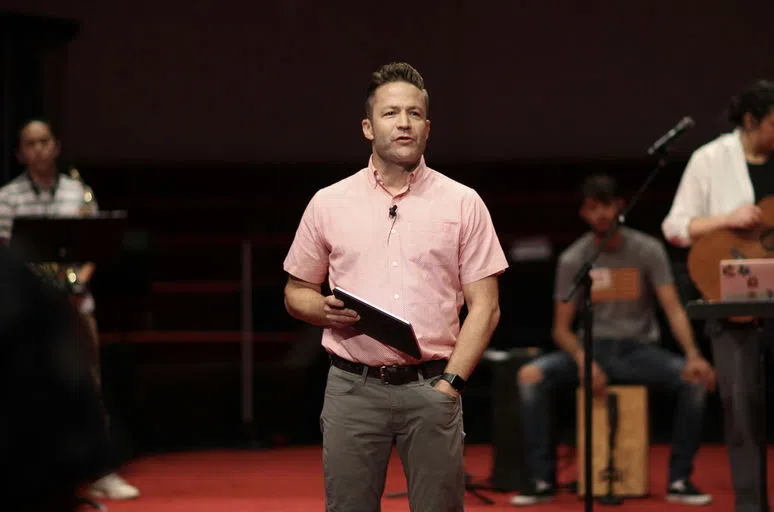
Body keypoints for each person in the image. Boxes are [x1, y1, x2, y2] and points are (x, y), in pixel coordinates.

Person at [283, 62, 508, 512]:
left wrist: (451, 384)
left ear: (428, 126)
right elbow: (295, 291)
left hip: (433, 386)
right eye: (390, 114)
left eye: (414, 113)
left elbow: (486, 307)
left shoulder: (463, 203)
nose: (403, 123)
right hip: (352, 388)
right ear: (368, 127)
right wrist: (320, 309)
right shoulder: (329, 202)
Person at [510, 173, 716, 507]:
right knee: (529, 376)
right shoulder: (574, 259)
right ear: (583, 213)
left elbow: (673, 308)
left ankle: (680, 479)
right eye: (592, 208)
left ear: (619, 206)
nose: (601, 215)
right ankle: (541, 478)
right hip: (591, 348)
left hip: (639, 350)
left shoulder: (647, 250)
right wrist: (584, 361)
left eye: (606, 206)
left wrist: (693, 353)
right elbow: (560, 328)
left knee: (694, 380)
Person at [0, 119, 140, 501]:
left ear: (56, 146)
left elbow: (94, 245)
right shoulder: (8, 196)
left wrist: (77, 280)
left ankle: (99, 472)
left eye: (44, 141)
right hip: (26, 315)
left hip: (77, 302)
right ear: (19, 153)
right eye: (30, 143)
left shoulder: (78, 191)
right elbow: (6, 254)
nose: (38, 149)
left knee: (88, 379)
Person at [662, 79, 774, 512]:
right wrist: (726, 219)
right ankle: (750, 504)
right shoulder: (710, 159)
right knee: (740, 406)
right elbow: (675, 227)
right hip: (732, 304)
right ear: (750, 121)